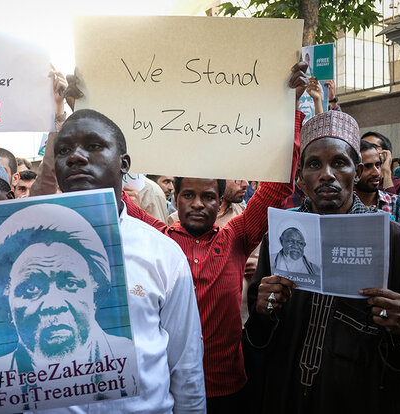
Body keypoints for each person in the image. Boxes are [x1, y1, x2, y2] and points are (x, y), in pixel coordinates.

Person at [0, 109, 206, 413]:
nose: (76, 157)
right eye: (64, 150)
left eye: (94, 146)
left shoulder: (162, 253)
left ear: (124, 164)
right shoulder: (14, 252)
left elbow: (186, 369)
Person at [122, 62, 308, 413]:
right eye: (188, 194)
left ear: (220, 200)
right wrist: (81, 113)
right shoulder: (156, 237)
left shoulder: (237, 237)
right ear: (173, 198)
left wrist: (291, 108)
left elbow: (277, 186)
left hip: (230, 389)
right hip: (170, 388)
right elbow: (110, 195)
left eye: (208, 196)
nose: (197, 204)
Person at [245, 110, 400, 414]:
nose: (326, 174)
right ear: (300, 178)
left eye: (339, 162)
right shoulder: (281, 234)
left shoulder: (394, 240)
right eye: (314, 164)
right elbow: (260, 334)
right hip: (286, 395)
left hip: (359, 397)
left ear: (358, 170)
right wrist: (262, 310)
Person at [0, 204, 134, 402]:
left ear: (95, 294)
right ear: (7, 303)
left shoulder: (131, 362)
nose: (53, 304)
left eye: (70, 284)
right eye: (31, 289)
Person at [355, 140, 397, 215]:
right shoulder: (340, 206)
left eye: (377, 165)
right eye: (367, 167)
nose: (376, 173)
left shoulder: (396, 203)